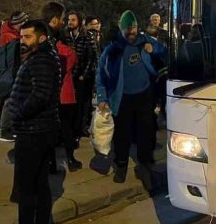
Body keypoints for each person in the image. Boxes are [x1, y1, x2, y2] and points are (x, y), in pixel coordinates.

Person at [0, 19, 60, 224]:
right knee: (40, 185)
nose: (23, 41)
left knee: (26, 188)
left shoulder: (41, 59)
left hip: (33, 130)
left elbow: (40, 95)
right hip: (39, 129)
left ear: (41, 38)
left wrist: (17, 112)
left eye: (28, 37)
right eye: (22, 36)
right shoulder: (42, 56)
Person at [96, 10, 166, 189]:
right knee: (122, 134)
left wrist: (155, 50)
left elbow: (166, 55)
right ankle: (121, 165)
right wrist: (103, 97)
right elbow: (101, 75)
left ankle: (145, 164)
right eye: (128, 29)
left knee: (145, 131)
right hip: (122, 97)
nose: (132, 32)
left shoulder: (146, 42)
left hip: (145, 95)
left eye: (134, 28)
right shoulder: (113, 49)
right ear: (122, 30)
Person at [43, 2, 82, 173]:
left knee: (52, 129)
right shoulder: (60, 47)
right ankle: (69, 159)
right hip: (61, 93)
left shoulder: (43, 37)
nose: (64, 22)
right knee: (65, 128)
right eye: (62, 19)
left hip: (51, 93)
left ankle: (51, 162)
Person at [62, 11, 94, 139]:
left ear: (79, 21)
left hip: (82, 75)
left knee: (81, 104)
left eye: (73, 20)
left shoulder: (87, 35)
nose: (70, 22)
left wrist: (84, 75)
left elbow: (91, 57)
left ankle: (79, 129)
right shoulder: (65, 35)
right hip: (69, 74)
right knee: (70, 104)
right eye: (69, 19)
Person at [82, 15, 102, 133]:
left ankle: (88, 123)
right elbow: (90, 56)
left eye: (97, 24)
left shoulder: (99, 36)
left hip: (95, 71)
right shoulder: (87, 37)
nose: (96, 27)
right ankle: (84, 125)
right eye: (93, 25)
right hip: (88, 72)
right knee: (86, 100)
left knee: (89, 99)